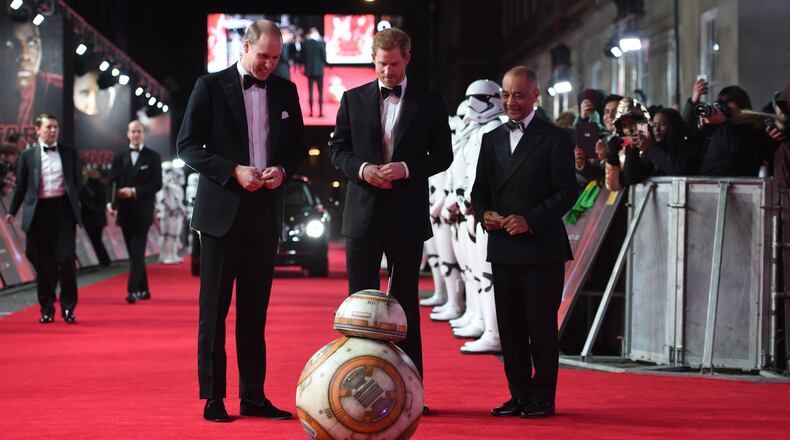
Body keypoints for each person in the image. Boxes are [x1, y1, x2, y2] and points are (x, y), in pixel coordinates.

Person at [177, 19, 306, 423]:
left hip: (265, 213)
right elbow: (186, 147)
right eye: (263, 55)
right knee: (213, 311)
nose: (269, 64)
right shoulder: (210, 86)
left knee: (255, 311)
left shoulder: (286, 90)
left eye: (275, 57)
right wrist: (233, 170)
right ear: (245, 46)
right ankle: (214, 397)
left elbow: (299, 151)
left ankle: (253, 396)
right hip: (220, 214)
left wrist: (283, 171)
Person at [329, 27, 453, 414]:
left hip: (406, 215)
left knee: (405, 308)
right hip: (362, 215)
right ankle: (356, 395)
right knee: (358, 308)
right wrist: (364, 169)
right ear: (373, 60)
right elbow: (338, 151)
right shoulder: (352, 99)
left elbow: (443, 156)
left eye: (394, 64)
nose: (387, 71)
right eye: (380, 64)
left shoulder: (430, 102)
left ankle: (413, 395)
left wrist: (405, 168)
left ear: (407, 59)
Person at [471, 67, 578, 419]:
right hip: (502, 247)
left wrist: (530, 220)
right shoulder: (491, 138)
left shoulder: (556, 138)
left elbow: (566, 192)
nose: (510, 102)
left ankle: (542, 398)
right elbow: (480, 189)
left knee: (541, 328)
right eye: (505, 94)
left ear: (535, 96)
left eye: (518, 95)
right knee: (511, 328)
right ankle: (518, 394)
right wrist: (484, 213)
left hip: (541, 248)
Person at [6, 113, 82, 324]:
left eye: (55, 127)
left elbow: (77, 185)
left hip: (64, 212)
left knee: (67, 260)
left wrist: (78, 207)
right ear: (38, 130)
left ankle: (68, 307)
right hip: (38, 214)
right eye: (48, 127)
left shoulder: (70, 153)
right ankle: (46, 308)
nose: (52, 131)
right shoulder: (27, 156)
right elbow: (21, 187)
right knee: (44, 264)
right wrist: (12, 210)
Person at [106, 121, 162, 303]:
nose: (136, 134)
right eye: (133, 131)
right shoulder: (120, 156)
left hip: (143, 212)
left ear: (143, 133)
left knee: (137, 252)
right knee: (133, 253)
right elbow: (111, 181)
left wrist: (135, 191)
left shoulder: (153, 156)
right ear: (128, 134)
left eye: (139, 131)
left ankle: (132, 291)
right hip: (125, 211)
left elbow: (157, 184)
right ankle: (144, 289)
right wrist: (110, 202)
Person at [80, 168, 111, 266]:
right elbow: (83, 200)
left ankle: (104, 260)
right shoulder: (84, 187)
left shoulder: (100, 186)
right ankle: (104, 260)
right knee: (95, 239)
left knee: (96, 239)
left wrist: (96, 208)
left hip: (96, 217)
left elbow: (103, 200)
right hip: (89, 217)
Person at [302, 27, 326, 117]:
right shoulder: (320, 44)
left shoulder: (306, 44)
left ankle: (311, 112)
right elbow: (324, 57)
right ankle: (320, 113)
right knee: (320, 92)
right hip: (319, 71)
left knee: (310, 92)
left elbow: (302, 58)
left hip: (309, 71)